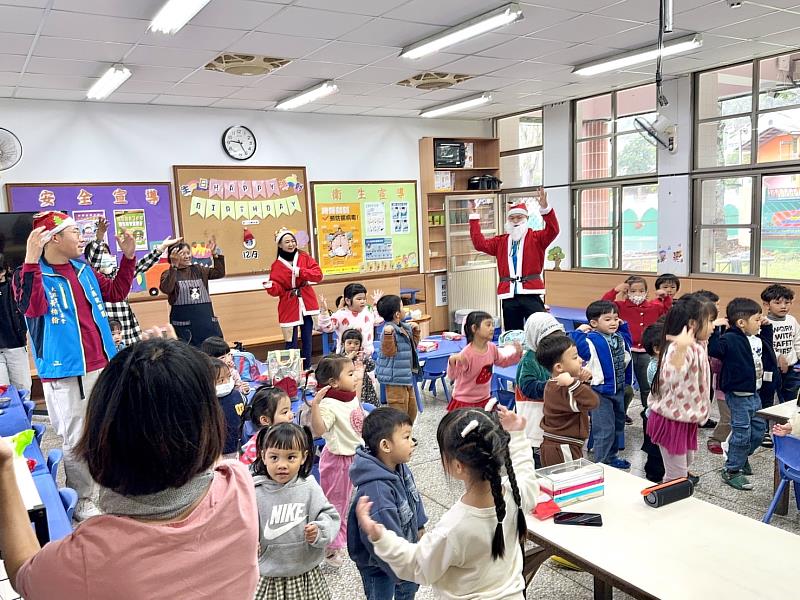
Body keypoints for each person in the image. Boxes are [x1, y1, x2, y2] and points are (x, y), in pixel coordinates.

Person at [0, 332, 259, 599]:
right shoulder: (239, 485)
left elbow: (24, 574)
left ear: (101, 433)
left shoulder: (89, 556)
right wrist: (174, 365)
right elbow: (204, 451)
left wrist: (4, 467)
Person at [13, 211, 136, 520]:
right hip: (68, 370)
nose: (82, 237)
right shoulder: (30, 274)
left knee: (107, 429)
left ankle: (109, 488)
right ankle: (82, 499)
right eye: (75, 232)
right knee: (76, 437)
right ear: (54, 238)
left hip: (103, 362)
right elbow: (31, 307)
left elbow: (116, 293)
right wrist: (30, 260)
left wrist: (129, 258)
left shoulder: (82, 268)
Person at [354, 405, 538, 600]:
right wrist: (517, 434)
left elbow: (416, 564)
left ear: (458, 466)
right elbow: (525, 471)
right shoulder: (517, 494)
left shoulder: (455, 528)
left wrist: (379, 536)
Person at [251, 422, 339, 600]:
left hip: (305, 573)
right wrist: (248, 543)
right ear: (263, 456)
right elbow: (242, 524)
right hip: (268, 575)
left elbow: (329, 515)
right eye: (274, 457)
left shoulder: (309, 487)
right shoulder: (254, 491)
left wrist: (319, 530)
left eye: (290, 457)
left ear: (304, 457)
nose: (282, 465)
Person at [348, 407, 427, 600]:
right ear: (385, 445)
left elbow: (413, 497)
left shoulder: (400, 466)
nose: (412, 443)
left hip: (402, 549)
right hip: (378, 563)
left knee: (408, 590)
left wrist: (419, 526)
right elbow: (384, 539)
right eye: (406, 437)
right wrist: (407, 567)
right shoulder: (377, 491)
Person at [709, 297, 778, 491]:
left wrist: (766, 328)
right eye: (756, 319)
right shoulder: (730, 338)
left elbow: (767, 349)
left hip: (754, 394)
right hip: (738, 396)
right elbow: (715, 349)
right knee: (741, 433)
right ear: (741, 322)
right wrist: (715, 329)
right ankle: (731, 470)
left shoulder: (755, 337)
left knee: (757, 431)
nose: (759, 321)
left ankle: (740, 457)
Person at [468, 190, 559, 330]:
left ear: (526, 219)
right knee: (512, 332)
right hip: (508, 295)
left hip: (530, 293)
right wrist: (474, 218)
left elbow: (553, 230)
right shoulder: (501, 241)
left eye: (519, 217)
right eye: (512, 218)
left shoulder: (537, 238)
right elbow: (479, 244)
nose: (515, 221)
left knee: (539, 329)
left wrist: (545, 209)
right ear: (508, 220)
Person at [648, 296, 716, 483]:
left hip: (685, 417)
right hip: (671, 419)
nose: (713, 326)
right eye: (710, 321)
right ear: (693, 324)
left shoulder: (697, 344)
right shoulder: (679, 347)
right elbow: (671, 376)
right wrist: (681, 349)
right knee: (676, 474)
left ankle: (675, 494)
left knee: (686, 462)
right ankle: (670, 505)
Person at [84, 216, 181, 346]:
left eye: (106, 252)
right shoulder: (89, 277)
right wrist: (100, 236)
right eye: (101, 253)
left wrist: (161, 247)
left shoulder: (119, 273)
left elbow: (142, 264)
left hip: (126, 328)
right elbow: (93, 260)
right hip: (105, 329)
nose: (105, 256)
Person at [309, 354, 365, 568]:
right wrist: (316, 405)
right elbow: (320, 429)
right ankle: (331, 548)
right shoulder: (329, 404)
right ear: (333, 382)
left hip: (356, 456)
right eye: (350, 374)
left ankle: (344, 537)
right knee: (336, 505)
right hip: (338, 462)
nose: (355, 377)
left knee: (351, 502)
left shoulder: (348, 395)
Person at [570, 300, 632, 470]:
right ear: (594, 323)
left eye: (616, 318)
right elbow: (576, 346)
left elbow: (629, 341)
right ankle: (601, 465)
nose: (613, 322)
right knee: (604, 429)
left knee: (618, 425)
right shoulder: (591, 340)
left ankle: (611, 458)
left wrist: (623, 326)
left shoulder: (618, 337)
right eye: (608, 319)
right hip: (600, 392)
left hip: (618, 389)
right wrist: (578, 331)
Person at [602, 275, 671, 418]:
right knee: (623, 385)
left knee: (647, 385)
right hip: (626, 350)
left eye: (641, 291)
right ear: (627, 292)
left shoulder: (654, 306)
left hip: (647, 352)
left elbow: (667, 310)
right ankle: (622, 411)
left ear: (646, 291)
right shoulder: (620, 306)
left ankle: (649, 411)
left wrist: (666, 297)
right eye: (633, 291)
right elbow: (603, 304)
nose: (637, 294)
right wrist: (615, 290)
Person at [265, 228, 323, 370]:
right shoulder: (276, 266)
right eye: (287, 242)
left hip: (307, 301)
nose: (291, 244)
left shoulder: (304, 257)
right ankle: (291, 371)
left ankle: (307, 368)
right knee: (291, 340)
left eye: (293, 241)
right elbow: (278, 290)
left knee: (307, 339)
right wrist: (271, 287)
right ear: (280, 245)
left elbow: (318, 275)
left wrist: (300, 272)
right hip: (289, 303)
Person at [536, 334, 598, 466]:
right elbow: (592, 402)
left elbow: (579, 403)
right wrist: (574, 384)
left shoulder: (554, 384)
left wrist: (580, 382)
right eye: (575, 357)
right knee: (568, 484)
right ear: (559, 367)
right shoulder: (562, 388)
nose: (581, 360)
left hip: (561, 445)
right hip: (563, 447)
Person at [515, 312, 567, 467]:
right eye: (549, 341)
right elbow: (528, 387)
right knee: (539, 465)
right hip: (534, 421)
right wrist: (554, 384)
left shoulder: (556, 356)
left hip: (553, 421)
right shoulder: (529, 360)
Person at [446, 310, 522, 412]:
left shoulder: (492, 347)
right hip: (465, 402)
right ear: (474, 328)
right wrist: (452, 362)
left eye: (492, 325)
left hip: (484, 399)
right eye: (488, 325)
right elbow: (452, 376)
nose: (492, 328)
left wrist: (516, 355)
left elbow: (502, 362)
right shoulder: (466, 354)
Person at [159, 238, 225, 348]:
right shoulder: (168, 273)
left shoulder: (198, 269)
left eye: (188, 253)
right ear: (173, 256)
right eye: (182, 254)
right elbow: (167, 288)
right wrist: (174, 267)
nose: (187, 256)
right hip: (184, 328)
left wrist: (215, 255)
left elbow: (219, 273)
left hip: (206, 324)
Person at [376, 295, 421, 423]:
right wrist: (389, 335)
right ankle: (399, 437)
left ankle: (406, 434)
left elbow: (412, 347)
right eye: (402, 307)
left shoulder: (403, 327)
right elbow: (389, 352)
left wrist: (416, 331)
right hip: (395, 379)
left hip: (405, 376)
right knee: (398, 411)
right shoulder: (388, 330)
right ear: (397, 314)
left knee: (412, 409)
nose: (405, 310)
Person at [318, 282, 384, 355]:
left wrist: (377, 304)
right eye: (359, 299)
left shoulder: (368, 311)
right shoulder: (340, 314)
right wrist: (324, 312)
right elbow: (327, 327)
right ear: (348, 301)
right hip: (345, 357)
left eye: (364, 299)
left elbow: (378, 321)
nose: (363, 301)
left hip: (366, 355)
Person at [761, 284, 800, 403]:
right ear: (767, 304)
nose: (783, 306)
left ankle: (788, 420)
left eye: (787, 303)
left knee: (791, 398)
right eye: (777, 303)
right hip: (772, 368)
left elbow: (797, 340)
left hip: (792, 368)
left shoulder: (791, 320)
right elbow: (764, 346)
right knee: (768, 399)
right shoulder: (764, 323)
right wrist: (778, 356)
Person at [239, 386, 294, 465]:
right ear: (265, 420)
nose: (291, 415)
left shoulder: (286, 434)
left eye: (290, 409)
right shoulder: (259, 445)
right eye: (285, 412)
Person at [0, 254, 31, 393]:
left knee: (23, 388)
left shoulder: (14, 286)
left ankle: (25, 415)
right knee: (3, 393)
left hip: (16, 345)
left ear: (5, 270)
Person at [641, 322, 665, 483]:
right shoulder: (656, 367)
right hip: (656, 415)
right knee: (655, 450)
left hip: (663, 413)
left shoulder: (665, 364)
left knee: (665, 449)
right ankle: (653, 477)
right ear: (657, 349)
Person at [211, 357, 247, 459]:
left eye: (229, 377)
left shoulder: (237, 395)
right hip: (217, 452)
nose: (227, 382)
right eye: (221, 380)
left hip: (238, 445)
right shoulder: (207, 403)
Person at [341, 328, 379, 407]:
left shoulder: (361, 356)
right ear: (343, 344)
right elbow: (339, 369)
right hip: (349, 385)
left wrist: (364, 359)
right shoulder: (340, 357)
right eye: (349, 343)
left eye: (356, 343)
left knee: (368, 406)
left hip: (365, 386)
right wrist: (348, 358)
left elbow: (371, 367)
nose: (352, 346)